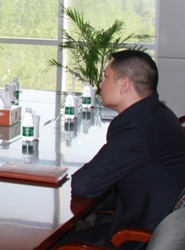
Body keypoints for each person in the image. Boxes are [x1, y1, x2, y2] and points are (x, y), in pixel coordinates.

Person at [66, 50, 185, 250]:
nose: (100, 85)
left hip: (140, 238)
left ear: (123, 84)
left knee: (51, 244)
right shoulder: (158, 113)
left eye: (106, 77)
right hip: (160, 227)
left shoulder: (134, 127)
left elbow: (84, 185)